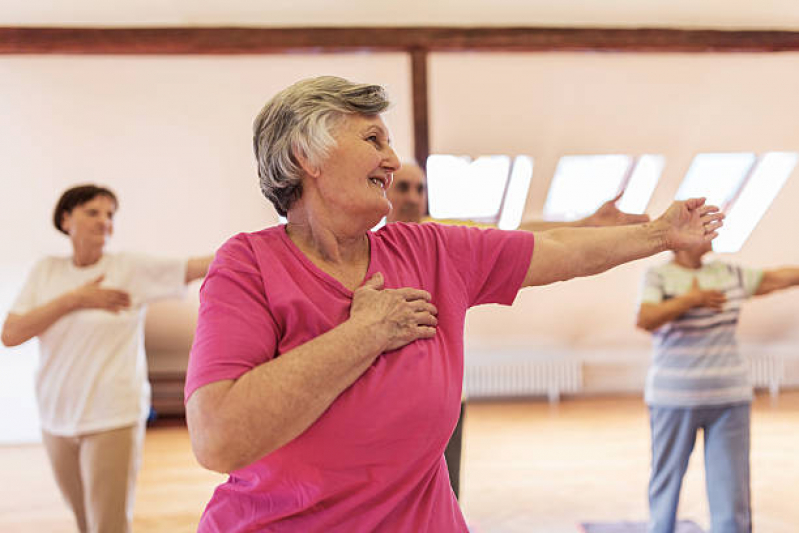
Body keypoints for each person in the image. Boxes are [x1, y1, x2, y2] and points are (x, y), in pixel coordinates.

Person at [184, 75, 723, 532]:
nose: (392, 162)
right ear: (308, 157)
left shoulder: (427, 248)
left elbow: (557, 248)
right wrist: (363, 333)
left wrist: (659, 235)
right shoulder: (248, 265)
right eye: (373, 139)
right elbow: (219, 438)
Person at [386, 161, 650, 499]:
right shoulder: (368, 247)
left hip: (444, 401)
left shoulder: (440, 236)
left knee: (446, 498)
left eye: (419, 188)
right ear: (385, 189)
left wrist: (586, 223)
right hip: (393, 407)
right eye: (403, 187)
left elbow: (514, 234)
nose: (413, 196)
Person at [1, 184, 213, 533]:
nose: (104, 221)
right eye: (93, 212)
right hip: (57, 418)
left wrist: (265, 245)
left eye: (110, 215)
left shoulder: (128, 268)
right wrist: (76, 299)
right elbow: (11, 334)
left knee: (108, 526)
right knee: (84, 521)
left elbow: (195, 267)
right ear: (66, 219)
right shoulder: (46, 271)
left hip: (112, 416)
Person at [636, 240, 799, 533]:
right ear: (680, 237)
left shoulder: (729, 273)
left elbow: (777, 278)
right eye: (704, 222)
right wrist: (689, 300)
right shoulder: (658, 275)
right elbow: (645, 318)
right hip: (673, 398)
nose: (714, 229)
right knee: (666, 483)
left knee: (732, 492)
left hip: (730, 397)